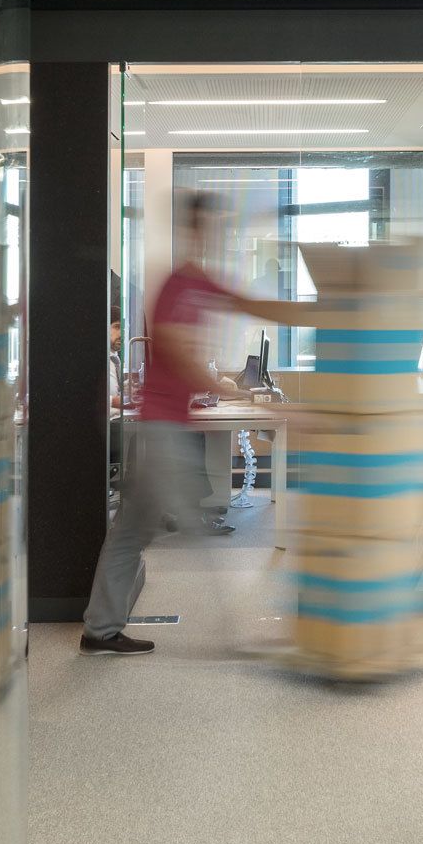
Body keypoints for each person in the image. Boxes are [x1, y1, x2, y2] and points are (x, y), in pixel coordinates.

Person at [82, 193, 277, 656]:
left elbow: (245, 302)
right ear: (194, 229)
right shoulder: (175, 286)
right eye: (213, 226)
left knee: (131, 532)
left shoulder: (200, 281)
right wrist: (230, 390)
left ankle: (99, 630)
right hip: (162, 432)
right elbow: (174, 349)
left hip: (168, 427)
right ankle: (233, 636)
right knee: (195, 528)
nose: (220, 235)